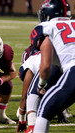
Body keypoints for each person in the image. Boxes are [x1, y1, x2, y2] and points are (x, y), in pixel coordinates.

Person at [27, 0, 74, 132]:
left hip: (73, 69)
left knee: (44, 108)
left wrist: (41, 84)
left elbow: (46, 65)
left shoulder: (46, 27)